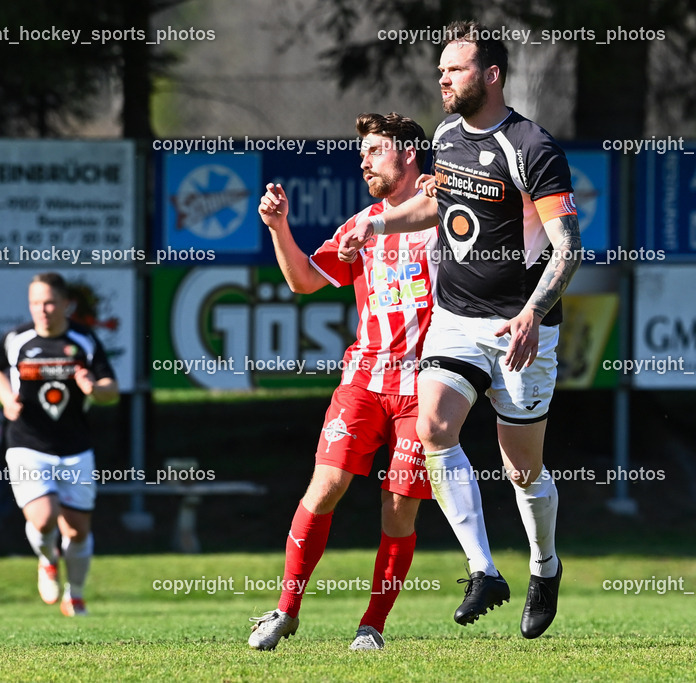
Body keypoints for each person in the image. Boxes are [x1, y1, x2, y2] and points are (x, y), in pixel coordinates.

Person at [339, 21, 581, 639]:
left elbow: (567, 247)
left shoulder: (532, 147)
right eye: (441, 69)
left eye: (455, 69)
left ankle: (545, 566)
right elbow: (439, 206)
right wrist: (384, 222)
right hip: (454, 319)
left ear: (491, 75)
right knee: (433, 426)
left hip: (518, 330)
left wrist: (531, 313)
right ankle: (483, 570)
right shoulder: (446, 134)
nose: (442, 78)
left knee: (522, 468)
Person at [247, 114, 438, 651]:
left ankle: (371, 626)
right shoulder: (363, 223)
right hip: (363, 379)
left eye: (375, 150)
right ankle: (285, 610)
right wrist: (279, 229)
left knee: (399, 506)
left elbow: (482, 202)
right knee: (326, 486)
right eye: (363, 152)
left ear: (407, 152)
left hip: (426, 386)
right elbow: (304, 280)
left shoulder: (444, 211)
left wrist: (442, 184)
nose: (364, 160)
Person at [0, 272, 118, 617]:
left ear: (65, 304)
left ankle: (75, 594)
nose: (42, 310)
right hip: (28, 444)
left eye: (49, 302)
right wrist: (5, 399)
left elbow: (110, 388)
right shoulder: (17, 339)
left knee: (77, 529)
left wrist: (93, 387)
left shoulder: (83, 340)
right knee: (44, 520)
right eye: (35, 303)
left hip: (75, 447)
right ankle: (47, 560)